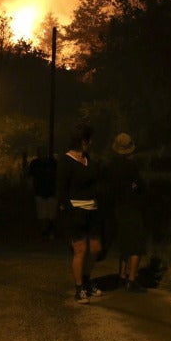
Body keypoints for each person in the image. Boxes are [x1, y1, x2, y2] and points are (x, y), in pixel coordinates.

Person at [56, 123, 104, 304]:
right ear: (83, 141)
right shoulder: (66, 161)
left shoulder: (87, 158)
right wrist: (69, 211)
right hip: (76, 212)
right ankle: (79, 288)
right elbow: (61, 191)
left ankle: (86, 278)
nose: (92, 143)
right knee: (80, 250)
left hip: (93, 211)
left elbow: (96, 182)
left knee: (95, 249)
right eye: (90, 140)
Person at [105, 132, 148, 293]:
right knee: (136, 245)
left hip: (118, 208)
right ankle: (132, 279)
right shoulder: (131, 166)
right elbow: (141, 185)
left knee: (124, 243)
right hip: (131, 207)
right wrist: (134, 187)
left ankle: (121, 275)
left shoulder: (111, 166)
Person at [26, 145, 58, 241]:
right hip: (40, 192)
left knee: (51, 214)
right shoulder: (35, 163)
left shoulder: (52, 163)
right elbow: (30, 176)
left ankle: (49, 231)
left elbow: (58, 176)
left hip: (51, 191)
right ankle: (44, 232)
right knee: (42, 214)